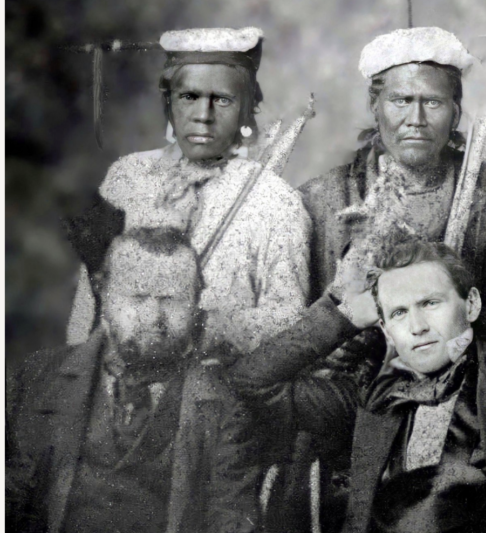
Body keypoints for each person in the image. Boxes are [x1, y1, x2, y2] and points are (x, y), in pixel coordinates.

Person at [231, 239, 486, 533]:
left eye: (430, 303)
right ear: (386, 329)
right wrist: (345, 316)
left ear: (470, 304)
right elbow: (251, 380)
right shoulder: (371, 396)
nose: (418, 327)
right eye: (399, 313)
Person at [7, 226, 261, 533]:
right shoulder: (36, 380)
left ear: (197, 304)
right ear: (104, 294)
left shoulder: (220, 407)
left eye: (172, 300)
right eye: (138, 297)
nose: (153, 317)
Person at [66, 26, 311, 355]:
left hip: (212, 393)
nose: (203, 116)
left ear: (246, 107)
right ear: (169, 102)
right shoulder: (128, 176)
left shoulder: (277, 201)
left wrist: (201, 325)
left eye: (222, 100)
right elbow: (89, 305)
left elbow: (292, 324)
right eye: (189, 97)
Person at [300, 26, 486, 388]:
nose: (416, 119)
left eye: (432, 102)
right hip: (346, 394)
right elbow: (300, 322)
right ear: (375, 106)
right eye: (401, 101)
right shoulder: (323, 198)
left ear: (456, 111)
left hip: (454, 389)